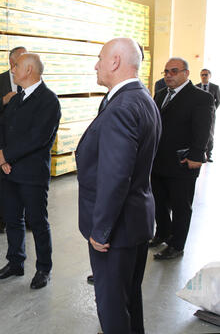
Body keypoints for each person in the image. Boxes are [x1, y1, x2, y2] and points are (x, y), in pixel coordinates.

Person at [76, 38, 161, 334]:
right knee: (129, 299)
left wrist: (100, 230)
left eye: (100, 58)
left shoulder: (121, 107)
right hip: (135, 220)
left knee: (112, 308)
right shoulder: (142, 98)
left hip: (116, 230)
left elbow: (115, 177)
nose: (96, 65)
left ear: (115, 62)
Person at [0, 53, 61, 290]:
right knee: (12, 219)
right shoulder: (17, 98)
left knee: (37, 222)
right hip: (9, 171)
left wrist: (6, 156)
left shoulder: (49, 101)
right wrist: (2, 157)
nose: (12, 70)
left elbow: (38, 138)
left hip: (32, 173)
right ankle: (15, 262)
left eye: (16, 66)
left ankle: (44, 268)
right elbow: (1, 127)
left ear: (29, 70)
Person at [151, 58, 214, 259]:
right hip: (158, 160)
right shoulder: (161, 94)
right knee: (158, 202)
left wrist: (197, 155)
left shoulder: (201, 97)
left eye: (174, 71)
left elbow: (203, 130)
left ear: (186, 73)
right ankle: (162, 233)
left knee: (181, 206)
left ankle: (176, 245)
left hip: (183, 162)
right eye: (166, 71)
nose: (168, 75)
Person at [0, 46, 27, 233]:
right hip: (4, 140)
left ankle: (25, 217)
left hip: (25, 140)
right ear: (11, 61)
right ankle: (3, 218)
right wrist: (4, 100)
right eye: (22, 58)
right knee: (4, 182)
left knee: (25, 179)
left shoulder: (31, 80)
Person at [196, 68, 220, 162]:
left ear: (210, 76)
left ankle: (208, 155)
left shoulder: (215, 87)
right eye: (202, 75)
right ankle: (200, 154)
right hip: (198, 115)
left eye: (206, 74)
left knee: (210, 134)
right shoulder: (196, 86)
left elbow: (218, 100)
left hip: (211, 115)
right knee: (199, 133)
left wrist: (213, 110)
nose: (204, 76)